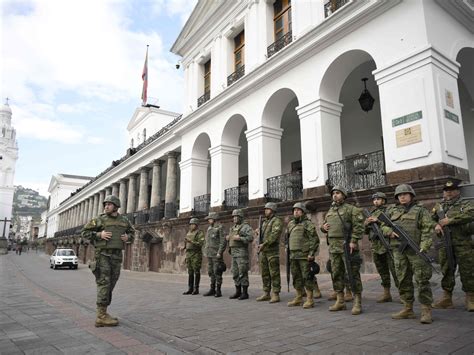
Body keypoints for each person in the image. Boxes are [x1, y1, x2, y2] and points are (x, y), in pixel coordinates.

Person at [381, 184, 435, 324]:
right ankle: (408, 308)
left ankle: (426, 309)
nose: (402, 197)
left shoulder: (421, 210)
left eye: (405, 194)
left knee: (422, 280)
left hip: (416, 250)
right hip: (399, 250)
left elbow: (427, 229)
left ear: (411, 195)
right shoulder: (391, 210)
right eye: (399, 195)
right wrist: (388, 232)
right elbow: (383, 224)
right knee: (402, 279)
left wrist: (424, 246)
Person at [81, 195, 135, 327]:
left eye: (109, 204)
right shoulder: (99, 220)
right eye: (105, 204)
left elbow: (132, 234)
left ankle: (104, 312)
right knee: (104, 283)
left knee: (111, 284)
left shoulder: (124, 220)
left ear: (116, 206)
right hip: (103, 255)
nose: (106, 206)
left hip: (117, 256)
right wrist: (99, 235)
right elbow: (84, 232)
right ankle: (101, 316)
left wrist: (128, 237)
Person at [431, 180, 474, 311]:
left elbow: (470, 214)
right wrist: (436, 225)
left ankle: (470, 298)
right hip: (446, 243)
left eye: (451, 190)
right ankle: (447, 298)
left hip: (463, 243)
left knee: (468, 271)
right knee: (447, 270)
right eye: (446, 190)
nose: (449, 192)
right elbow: (429, 219)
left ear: (457, 191)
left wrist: (450, 220)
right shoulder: (439, 206)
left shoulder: (466, 203)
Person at [321, 186, 364, 315]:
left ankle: (357, 301)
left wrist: (353, 241)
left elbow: (359, 227)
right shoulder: (330, 210)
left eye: (338, 193)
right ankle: (340, 301)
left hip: (347, 246)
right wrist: (323, 227)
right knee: (336, 273)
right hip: (333, 247)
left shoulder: (352, 210)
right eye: (333, 193)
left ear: (344, 195)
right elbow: (324, 226)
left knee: (352, 273)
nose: (335, 195)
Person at [364, 192, 399, 302]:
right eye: (374, 199)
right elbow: (365, 231)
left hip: (387, 244)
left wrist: (378, 220)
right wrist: (366, 223)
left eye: (378, 199)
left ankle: (403, 294)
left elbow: (391, 224)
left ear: (384, 200)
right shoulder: (371, 213)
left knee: (395, 270)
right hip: (376, 245)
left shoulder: (389, 211)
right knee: (382, 270)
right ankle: (386, 293)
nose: (376, 201)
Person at [287, 202, 319, 309]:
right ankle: (299, 296)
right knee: (296, 277)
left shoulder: (307, 224)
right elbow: (286, 238)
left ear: (303, 212)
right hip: (293, 255)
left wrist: (311, 253)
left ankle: (310, 299)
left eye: (298, 210)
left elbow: (314, 239)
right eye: (294, 210)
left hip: (304, 255)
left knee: (307, 277)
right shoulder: (291, 224)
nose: (296, 212)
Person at [255, 202, 283, 303]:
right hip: (264, 251)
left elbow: (274, 236)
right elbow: (263, 235)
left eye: (267, 209)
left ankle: (276, 294)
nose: (265, 211)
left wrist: (264, 244)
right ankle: (266, 292)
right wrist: (259, 232)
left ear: (272, 210)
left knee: (274, 273)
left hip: (272, 251)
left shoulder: (277, 221)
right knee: (265, 273)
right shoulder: (265, 222)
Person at [226, 209, 253, 300]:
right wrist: (228, 238)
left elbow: (250, 238)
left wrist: (240, 238)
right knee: (235, 273)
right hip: (234, 253)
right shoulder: (233, 228)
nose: (234, 218)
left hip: (241, 253)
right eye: (233, 217)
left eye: (236, 216)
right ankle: (238, 291)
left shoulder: (246, 227)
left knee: (243, 272)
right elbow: (232, 238)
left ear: (241, 217)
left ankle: (245, 293)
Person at [203, 212, 227, 298]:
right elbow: (206, 241)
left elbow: (223, 241)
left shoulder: (220, 228)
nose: (208, 220)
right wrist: (205, 251)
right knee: (211, 271)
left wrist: (220, 252)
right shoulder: (209, 228)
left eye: (210, 219)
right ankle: (212, 289)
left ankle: (218, 290)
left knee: (217, 271)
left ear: (214, 219)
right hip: (209, 253)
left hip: (216, 254)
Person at [182, 218, 205, 295]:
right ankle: (190, 288)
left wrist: (191, 241)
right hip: (189, 254)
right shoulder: (189, 232)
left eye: (193, 224)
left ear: (196, 225)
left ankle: (196, 289)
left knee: (196, 271)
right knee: (190, 272)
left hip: (196, 254)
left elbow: (200, 243)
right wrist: (184, 246)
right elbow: (186, 241)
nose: (192, 226)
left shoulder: (199, 233)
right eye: (191, 224)